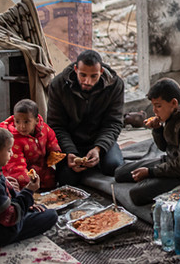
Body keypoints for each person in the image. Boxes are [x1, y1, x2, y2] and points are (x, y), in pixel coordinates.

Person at [115, 78, 180, 206]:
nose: (154, 111)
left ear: (174, 103)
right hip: (171, 160)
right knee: (120, 173)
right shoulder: (174, 113)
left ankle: (155, 181)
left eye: (158, 106)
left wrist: (151, 172)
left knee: (136, 195)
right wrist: (158, 129)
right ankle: (153, 178)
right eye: (153, 106)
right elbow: (164, 147)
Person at [47, 50, 125, 185]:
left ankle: (97, 158)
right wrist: (70, 151)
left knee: (114, 167)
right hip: (72, 141)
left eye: (94, 76)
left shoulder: (115, 85)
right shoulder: (58, 85)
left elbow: (113, 123)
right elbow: (56, 125)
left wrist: (99, 148)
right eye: (82, 75)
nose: (88, 81)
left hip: (99, 137)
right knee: (67, 179)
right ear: (76, 69)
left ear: (101, 72)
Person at [0, 99, 63, 190]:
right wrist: (28, 181)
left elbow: (51, 139)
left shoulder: (44, 129)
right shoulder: (13, 140)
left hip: (41, 165)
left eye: (26, 122)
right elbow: (16, 165)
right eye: (17, 122)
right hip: (19, 170)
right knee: (21, 185)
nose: (21, 126)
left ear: (36, 120)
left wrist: (54, 152)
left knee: (52, 180)